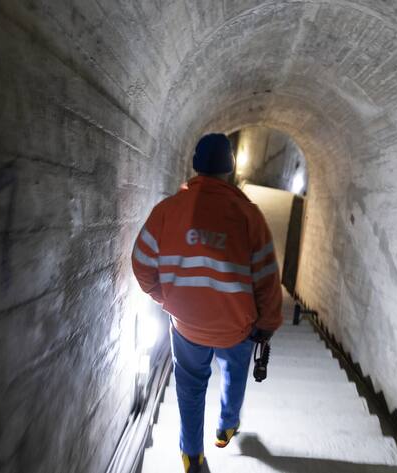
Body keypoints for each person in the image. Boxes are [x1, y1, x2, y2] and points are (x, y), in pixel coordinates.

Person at [131, 133, 283, 472]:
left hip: (187, 327)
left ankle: (192, 456)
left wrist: (165, 298)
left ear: (195, 166)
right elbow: (267, 277)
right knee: (234, 373)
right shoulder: (248, 215)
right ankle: (227, 426)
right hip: (238, 327)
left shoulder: (167, 211)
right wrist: (268, 323)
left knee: (189, 387)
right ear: (229, 170)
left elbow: (141, 262)